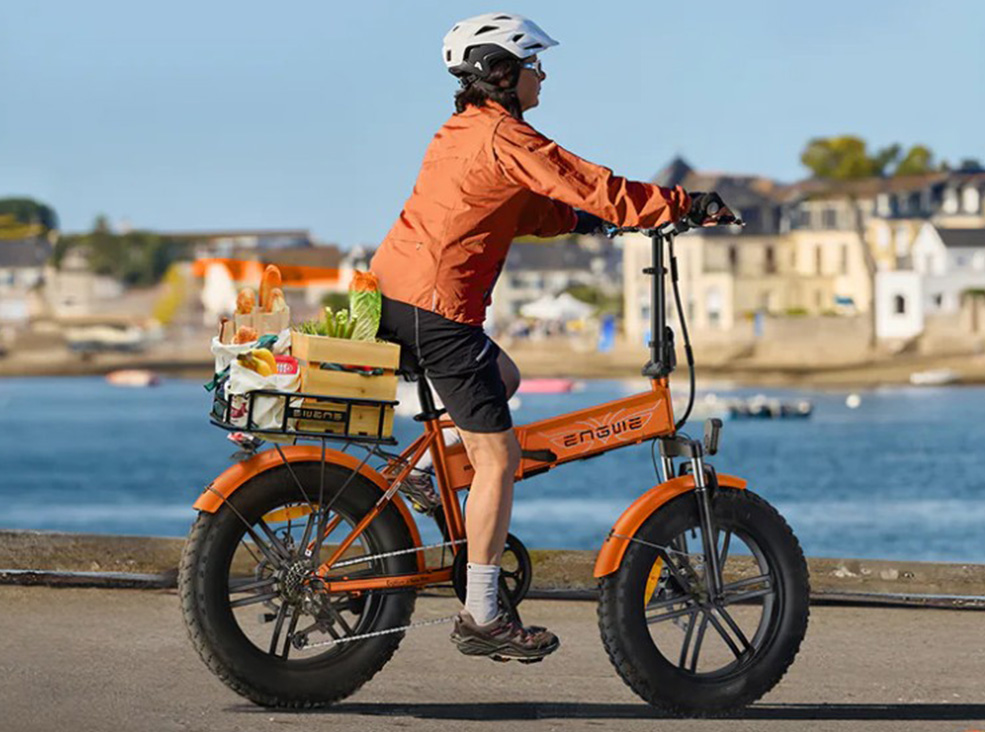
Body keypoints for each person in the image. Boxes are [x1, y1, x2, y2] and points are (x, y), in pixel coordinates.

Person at [370, 12, 731, 662]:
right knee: (498, 460)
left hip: (396, 296)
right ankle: (481, 613)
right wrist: (682, 204)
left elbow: (526, 205)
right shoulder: (506, 136)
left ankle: (426, 474)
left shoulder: (460, 132)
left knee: (502, 378)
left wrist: (585, 224)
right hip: (438, 309)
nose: (543, 74)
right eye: (533, 63)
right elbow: (588, 181)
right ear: (499, 73)